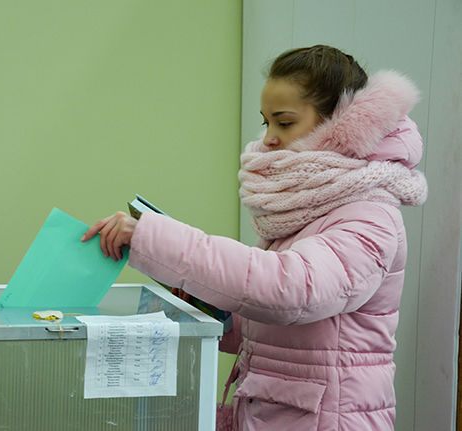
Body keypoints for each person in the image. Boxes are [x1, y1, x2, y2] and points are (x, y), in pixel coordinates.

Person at [81, 45, 428, 431]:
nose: (269, 139)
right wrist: (214, 309)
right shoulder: (309, 209)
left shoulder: (369, 217)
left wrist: (157, 239)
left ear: (341, 126)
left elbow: (291, 290)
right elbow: (281, 328)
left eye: (285, 122)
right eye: (266, 123)